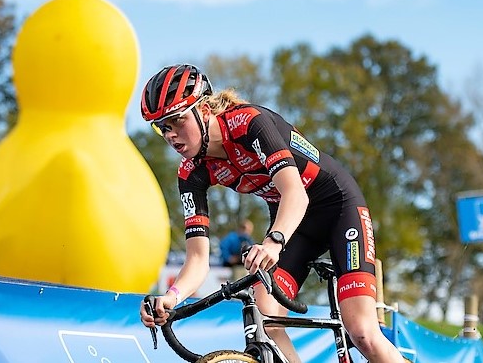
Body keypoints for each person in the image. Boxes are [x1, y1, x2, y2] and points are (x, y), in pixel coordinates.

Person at [138, 64, 405, 362]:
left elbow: (296, 193)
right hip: (295, 226)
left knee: (362, 332)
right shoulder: (191, 173)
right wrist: (171, 297)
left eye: (176, 120)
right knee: (268, 319)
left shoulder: (249, 123)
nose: (171, 135)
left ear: (204, 109)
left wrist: (273, 243)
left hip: (337, 208)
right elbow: (198, 257)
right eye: (162, 127)